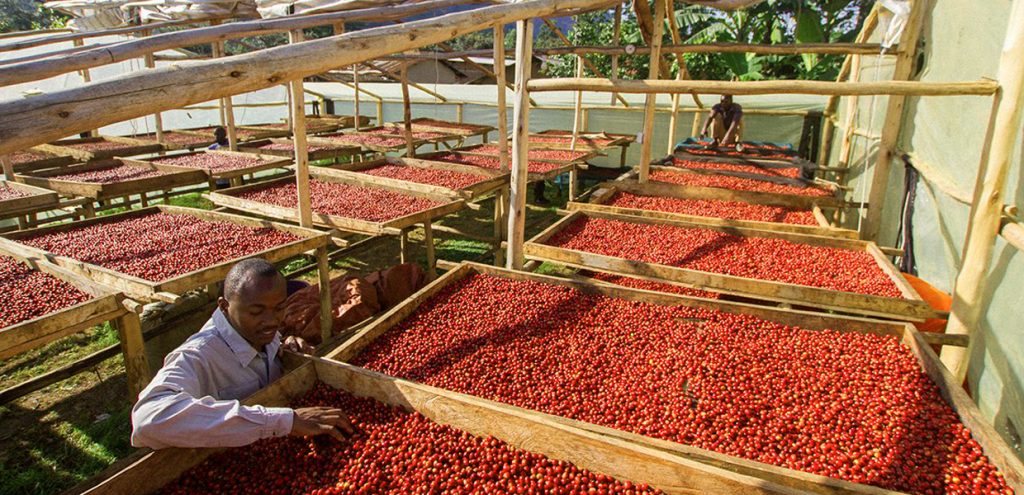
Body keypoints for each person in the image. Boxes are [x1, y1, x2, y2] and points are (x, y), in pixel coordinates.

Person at [131, 258, 354, 449]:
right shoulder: (198, 355)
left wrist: (285, 345)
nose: (271, 321)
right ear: (224, 306)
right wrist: (285, 421)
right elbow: (147, 419)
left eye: (279, 308)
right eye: (256, 312)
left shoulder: (260, 332)